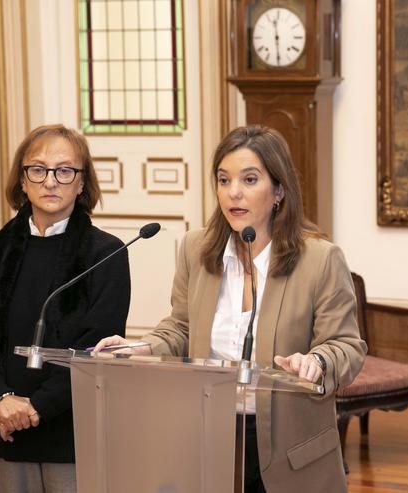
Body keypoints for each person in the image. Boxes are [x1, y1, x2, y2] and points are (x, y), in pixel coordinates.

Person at [93, 125, 366, 492]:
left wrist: (316, 361)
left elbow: (347, 346)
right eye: (224, 180)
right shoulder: (196, 248)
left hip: (292, 451)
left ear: (279, 191)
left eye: (249, 179)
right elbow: (181, 327)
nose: (233, 192)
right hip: (212, 440)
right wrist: (140, 346)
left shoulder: (319, 259)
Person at [0, 124, 131, 493]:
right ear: (22, 180)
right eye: (38, 169)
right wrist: (0, 401)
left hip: (68, 432)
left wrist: (34, 409)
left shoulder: (105, 253)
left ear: (82, 183)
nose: (51, 182)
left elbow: (95, 350)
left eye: (65, 171)